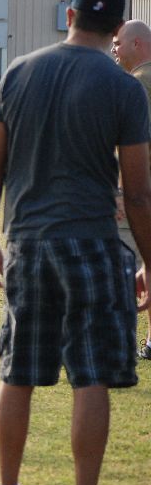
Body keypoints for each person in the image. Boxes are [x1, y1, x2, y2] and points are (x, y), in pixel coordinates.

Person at [0, 0, 151, 485]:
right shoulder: (125, 88)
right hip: (94, 242)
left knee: (18, 373)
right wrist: (150, 261)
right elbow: (138, 193)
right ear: (117, 28)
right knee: (91, 375)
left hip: (27, 242)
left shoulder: (18, 71)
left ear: (70, 15)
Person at [111, 19, 151, 359]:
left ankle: (119, 343)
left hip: (139, 194)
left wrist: (120, 192)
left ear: (137, 44)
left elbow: (131, 145)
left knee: (129, 267)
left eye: (118, 43)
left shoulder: (138, 84)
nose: (114, 49)